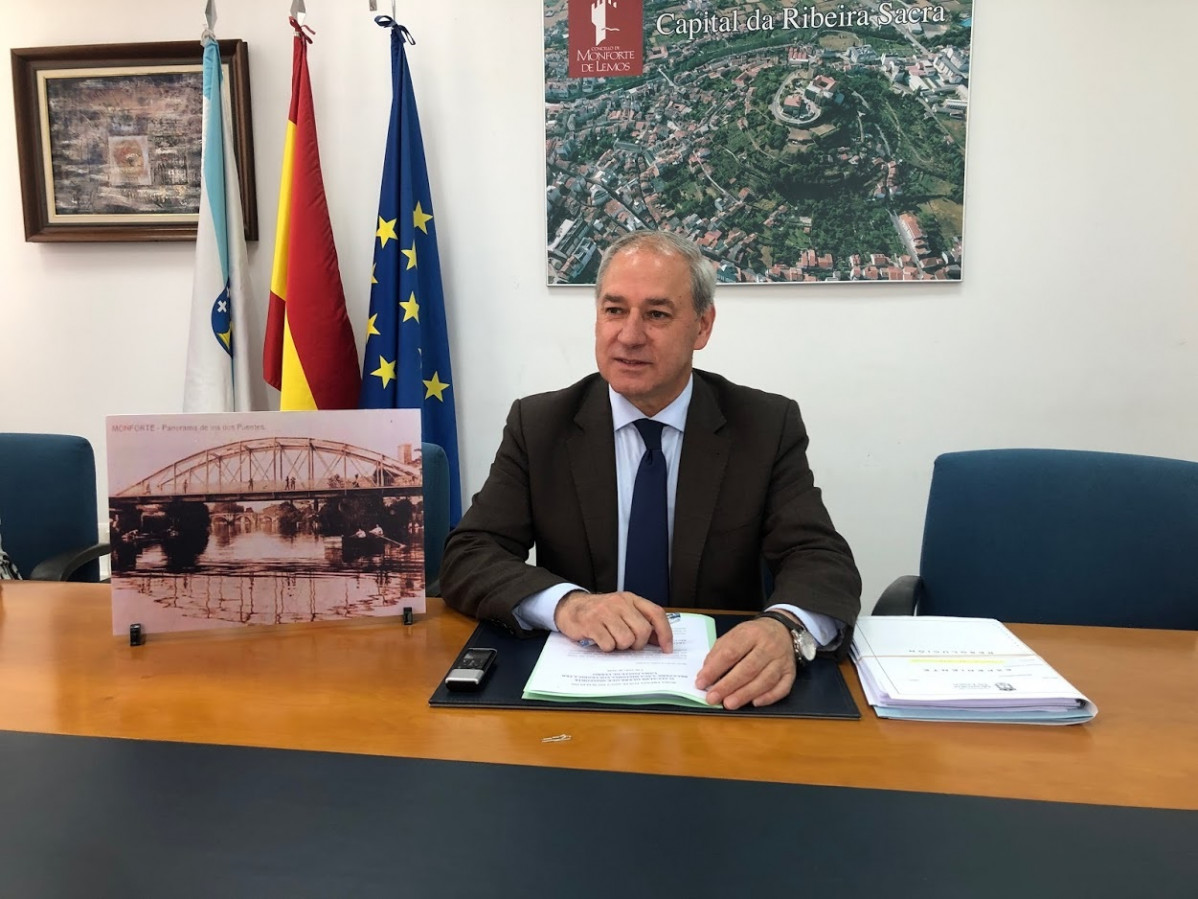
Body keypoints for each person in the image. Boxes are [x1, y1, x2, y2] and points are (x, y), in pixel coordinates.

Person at [441, 231, 861, 709]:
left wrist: (785, 628)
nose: (629, 335)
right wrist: (567, 604)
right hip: (579, 688)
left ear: (702, 327)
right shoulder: (540, 425)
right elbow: (470, 554)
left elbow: (821, 558)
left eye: (657, 314)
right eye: (614, 310)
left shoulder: (763, 426)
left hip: (719, 691)